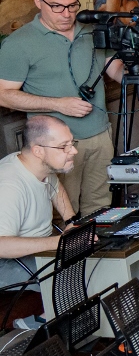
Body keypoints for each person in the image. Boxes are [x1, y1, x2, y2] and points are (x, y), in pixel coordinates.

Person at [0, 0, 131, 215]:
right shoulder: (18, 43)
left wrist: (133, 71)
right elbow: (4, 95)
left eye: (72, 6)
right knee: (64, 213)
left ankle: (98, 252)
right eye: (57, 7)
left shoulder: (91, 29)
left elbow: (113, 67)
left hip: (100, 135)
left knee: (101, 208)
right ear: (38, 2)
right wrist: (58, 105)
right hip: (54, 146)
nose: (67, 14)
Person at [0, 116, 76, 290]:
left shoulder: (40, 167)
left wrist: (71, 221)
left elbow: (56, 189)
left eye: (72, 143)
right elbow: (1, 245)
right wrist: (58, 243)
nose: (73, 151)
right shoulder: (9, 186)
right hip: (8, 262)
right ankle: (40, 317)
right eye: (64, 146)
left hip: (39, 249)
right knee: (75, 278)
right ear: (38, 151)